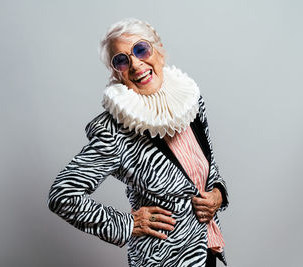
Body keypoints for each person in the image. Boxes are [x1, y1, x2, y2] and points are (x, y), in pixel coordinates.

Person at [47, 18, 229, 267]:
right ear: (116, 74)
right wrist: (127, 224)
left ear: (160, 50)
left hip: (205, 250)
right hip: (162, 260)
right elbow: (63, 195)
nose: (135, 64)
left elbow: (206, 164)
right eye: (121, 61)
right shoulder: (114, 130)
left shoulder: (189, 101)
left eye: (141, 49)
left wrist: (218, 192)